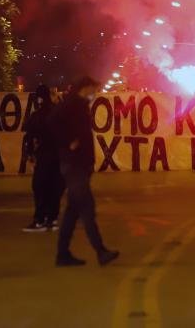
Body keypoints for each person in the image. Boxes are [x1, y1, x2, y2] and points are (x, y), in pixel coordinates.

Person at [53, 76, 119, 267]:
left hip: (79, 165)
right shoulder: (71, 103)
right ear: (86, 87)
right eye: (94, 89)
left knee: (72, 212)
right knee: (87, 208)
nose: (95, 93)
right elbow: (52, 122)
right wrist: (68, 142)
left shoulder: (79, 104)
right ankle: (101, 251)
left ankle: (62, 254)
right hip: (75, 166)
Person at [22, 84, 65, 232]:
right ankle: (52, 219)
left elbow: (29, 136)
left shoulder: (37, 115)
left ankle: (40, 220)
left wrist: (30, 155)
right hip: (59, 157)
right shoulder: (59, 113)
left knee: (40, 187)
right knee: (55, 188)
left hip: (44, 156)